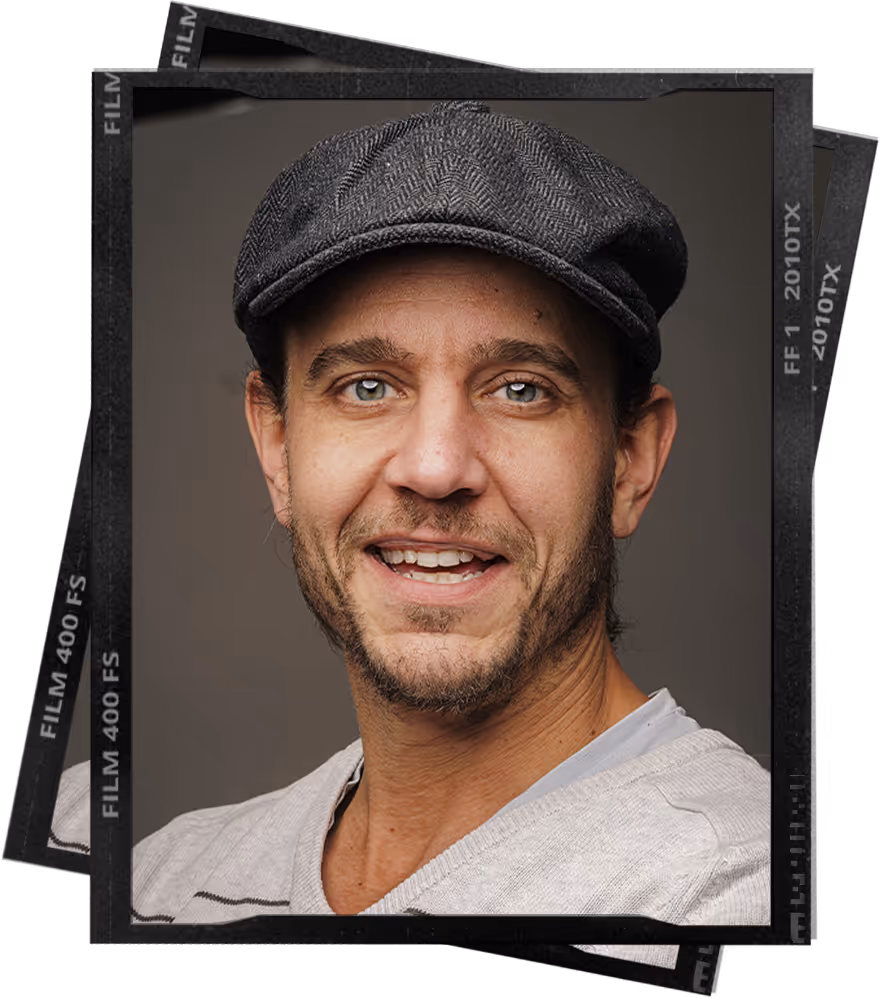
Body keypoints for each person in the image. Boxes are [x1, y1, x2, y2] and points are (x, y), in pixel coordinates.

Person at [53, 102, 769, 956]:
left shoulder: (730, 899)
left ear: (631, 459)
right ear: (277, 445)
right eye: (365, 386)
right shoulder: (161, 879)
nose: (435, 467)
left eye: (521, 388)